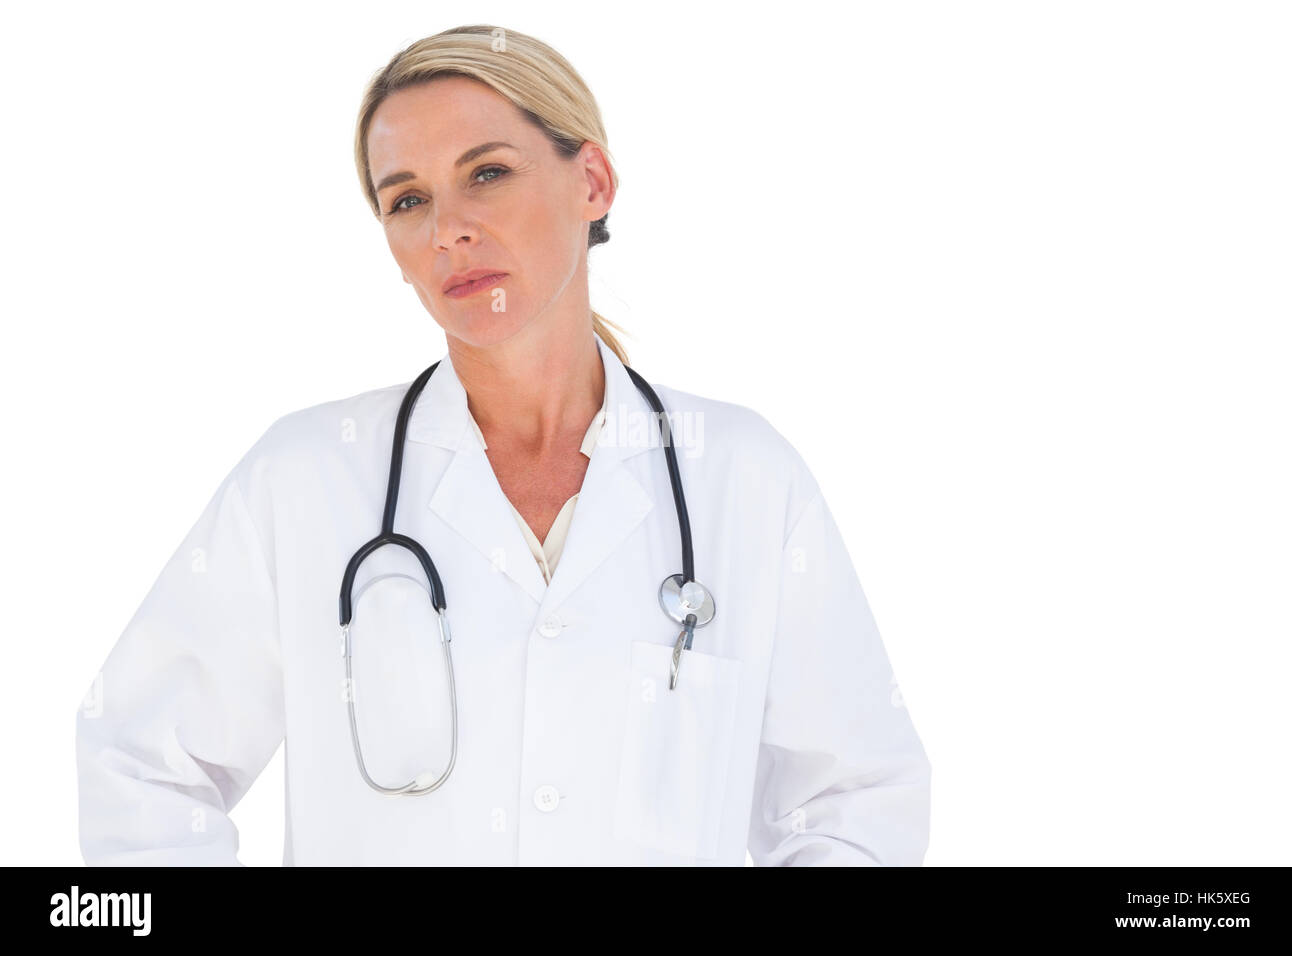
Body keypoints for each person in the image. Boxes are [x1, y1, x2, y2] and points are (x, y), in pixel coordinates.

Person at [75, 23, 931, 866]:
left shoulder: (744, 478)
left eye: (486, 173)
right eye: (407, 199)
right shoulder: (302, 480)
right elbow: (143, 765)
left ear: (591, 180)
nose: (447, 228)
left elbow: (852, 800)